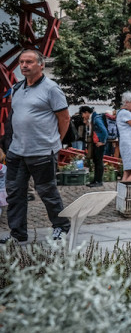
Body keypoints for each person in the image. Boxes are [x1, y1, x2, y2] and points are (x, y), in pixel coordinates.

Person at [1, 49, 71, 244]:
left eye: (29, 62)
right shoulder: (17, 88)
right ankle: (18, 235)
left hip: (41, 152)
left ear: (41, 65)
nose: (24, 65)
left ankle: (61, 227)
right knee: (15, 194)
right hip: (17, 151)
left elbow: (64, 118)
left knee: (48, 192)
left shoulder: (51, 89)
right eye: (22, 62)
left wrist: (55, 141)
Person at [87, 107, 109, 187]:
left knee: (99, 161)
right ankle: (96, 180)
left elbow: (104, 131)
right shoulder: (95, 118)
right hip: (96, 142)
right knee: (96, 161)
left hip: (99, 143)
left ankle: (99, 181)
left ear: (86, 112)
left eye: (83, 114)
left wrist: (102, 142)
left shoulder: (96, 119)